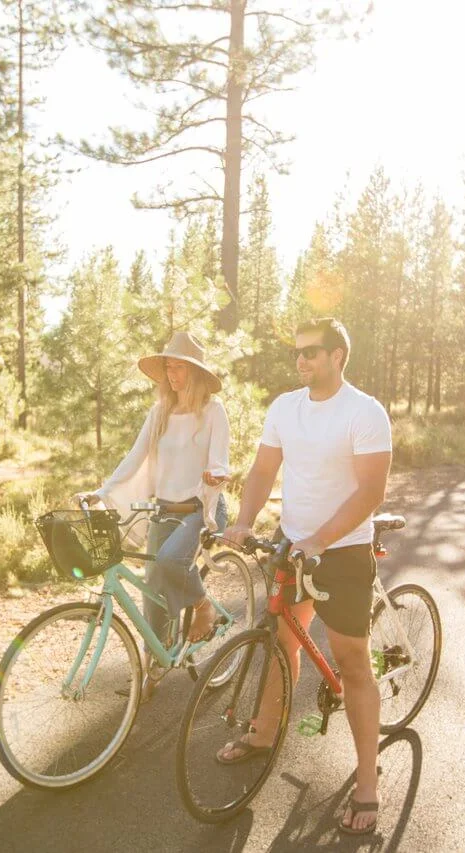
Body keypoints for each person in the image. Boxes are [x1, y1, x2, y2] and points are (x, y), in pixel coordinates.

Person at [221, 317, 392, 836]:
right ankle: (264, 732)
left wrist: (321, 539)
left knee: (352, 663)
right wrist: (245, 520)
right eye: (297, 353)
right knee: (281, 640)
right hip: (291, 543)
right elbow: (262, 471)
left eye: (312, 352)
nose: (301, 361)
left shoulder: (365, 412)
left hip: (340, 551)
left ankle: (368, 783)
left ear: (338, 355)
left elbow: (370, 493)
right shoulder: (284, 408)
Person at [79, 331, 231, 662]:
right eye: (169, 368)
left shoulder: (213, 411)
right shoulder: (159, 412)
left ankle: (204, 608)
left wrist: (215, 476)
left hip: (202, 507)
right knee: (154, 588)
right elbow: (134, 457)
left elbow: (220, 462)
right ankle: (155, 663)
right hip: (165, 508)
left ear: (196, 373)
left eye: (180, 368)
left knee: (169, 561)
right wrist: (102, 491)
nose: (172, 375)